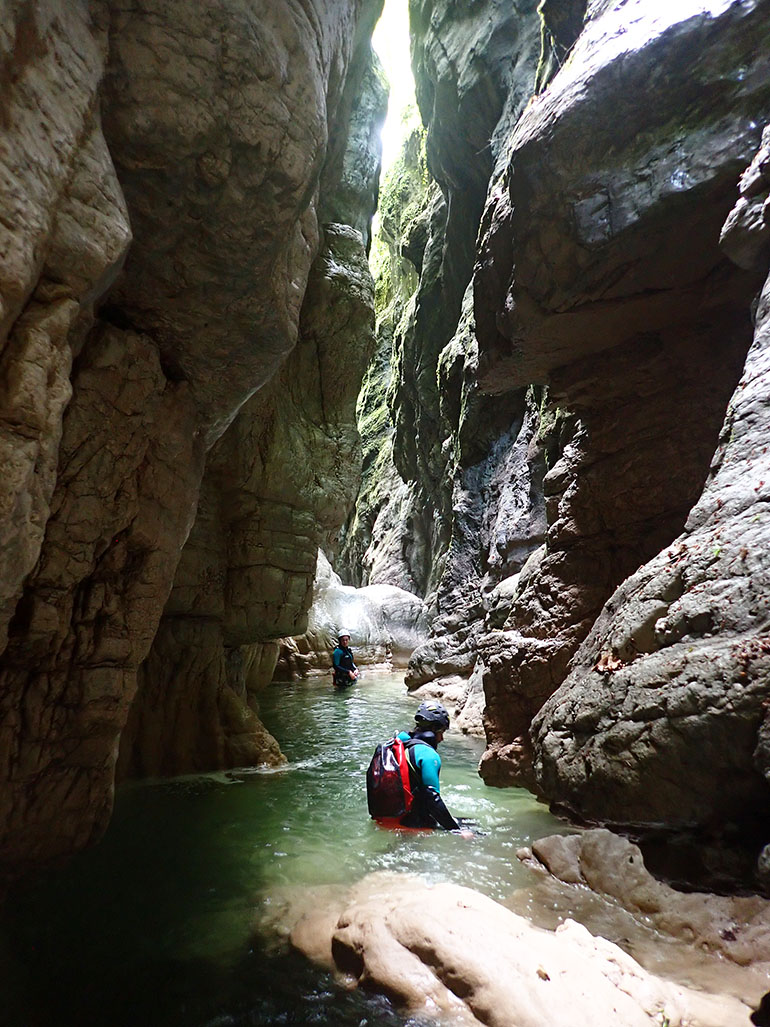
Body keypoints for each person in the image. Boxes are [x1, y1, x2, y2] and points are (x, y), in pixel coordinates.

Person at [397, 700, 464, 831]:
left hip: (391, 816)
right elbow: (432, 799)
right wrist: (456, 831)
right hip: (414, 823)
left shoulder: (399, 743)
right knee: (475, 829)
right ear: (434, 730)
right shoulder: (428, 755)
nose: (441, 739)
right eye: (442, 732)